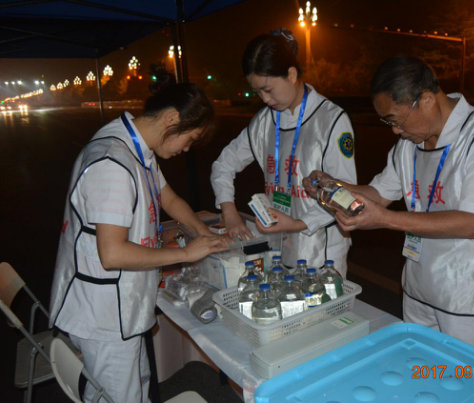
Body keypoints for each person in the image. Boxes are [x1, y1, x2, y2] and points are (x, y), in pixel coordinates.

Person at [304, 56, 474, 359]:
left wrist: (385, 219)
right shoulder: (409, 144)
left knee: (470, 376)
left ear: (426, 100)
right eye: (388, 122)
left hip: (471, 287)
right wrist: (333, 186)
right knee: (421, 370)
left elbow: (471, 223)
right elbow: (379, 193)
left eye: (395, 119)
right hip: (421, 282)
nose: (395, 131)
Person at [49, 63, 228, 402]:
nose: (186, 149)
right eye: (189, 139)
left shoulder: (137, 148)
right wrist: (187, 252)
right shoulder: (112, 163)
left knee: (137, 387)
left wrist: (203, 232)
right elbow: (112, 253)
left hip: (121, 308)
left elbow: (167, 197)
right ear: (171, 119)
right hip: (104, 316)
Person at [211, 28, 357, 276]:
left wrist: (300, 223)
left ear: (291, 74)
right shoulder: (263, 122)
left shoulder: (330, 119)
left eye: (268, 89)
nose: (264, 99)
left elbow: (346, 193)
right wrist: (229, 212)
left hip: (323, 251)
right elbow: (223, 165)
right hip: (278, 244)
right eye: (257, 92)